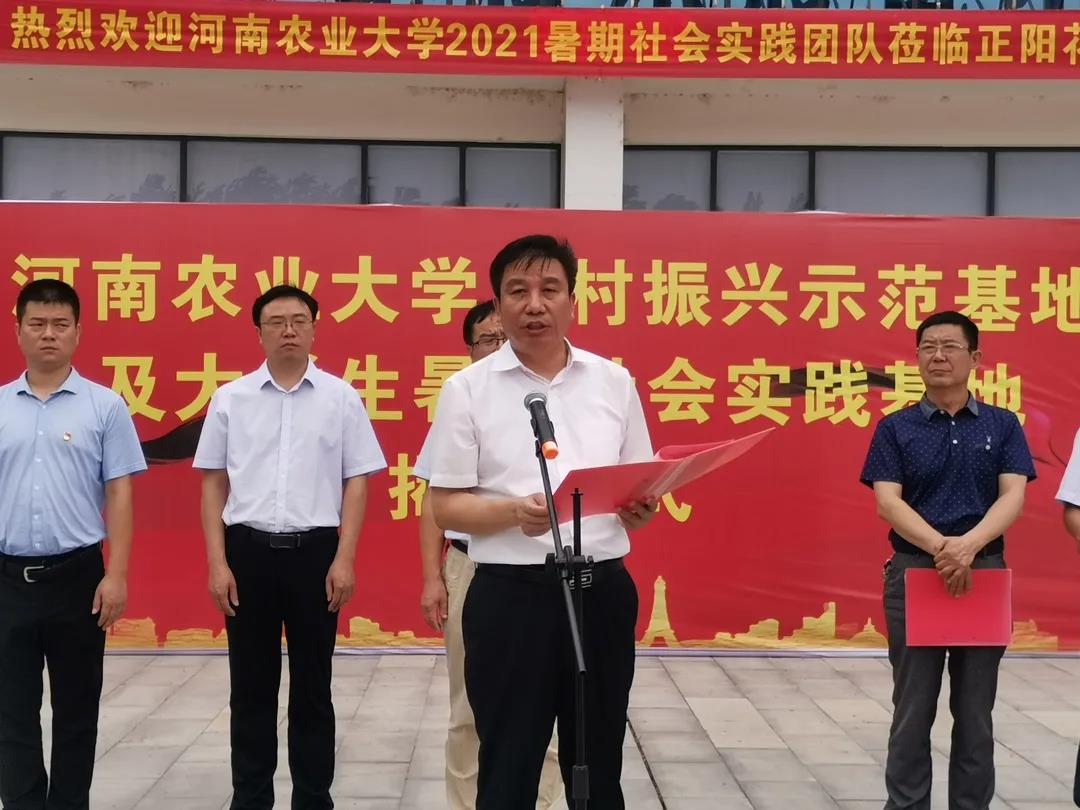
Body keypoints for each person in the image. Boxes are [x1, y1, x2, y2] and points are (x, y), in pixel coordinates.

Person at [427, 235, 657, 810]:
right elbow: (445, 505)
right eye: (518, 291)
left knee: (598, 763)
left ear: (572, 300)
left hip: (601, 593)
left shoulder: (614, 382)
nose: (535, 304)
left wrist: (641, 507)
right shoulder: (467, 390)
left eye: (549, 289)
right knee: (508, 764)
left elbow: (637, 486)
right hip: (512, 599)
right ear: (498, 304)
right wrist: (513, 513)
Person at [193, 284, 386, 810]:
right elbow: (213, 482)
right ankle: (251, 799)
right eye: (276, 322)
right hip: (247, 554)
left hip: (315, 555)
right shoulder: (230, 399)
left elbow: (357, 480)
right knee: (250, 689)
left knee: (313, 689)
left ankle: (313, 798)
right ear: (258, 333)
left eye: (299, 321)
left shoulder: (341, 398)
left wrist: (345, 556)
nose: (288, 331)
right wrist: (218, 562)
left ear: (314, 329)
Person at [860, 310, 1035, 810]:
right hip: (916, 572)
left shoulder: (1003, 424)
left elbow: (1013, 495)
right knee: (912, 709)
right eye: (928, 347)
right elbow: (887, 502)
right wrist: (945, 548)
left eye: (950, 346)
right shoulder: (895, 428)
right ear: (916, 357)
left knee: (976, 712)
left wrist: (969, 546)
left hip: (983, 574)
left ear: (975, 358)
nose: (938, 356)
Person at [0, 279, 146, 810]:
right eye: (37, 324)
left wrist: (116, 574)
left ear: (78, 332)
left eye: (60, 324)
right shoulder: (0, 406)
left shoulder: (104, 407)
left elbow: (120, 492)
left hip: (78, 578)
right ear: (18, 330)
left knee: (76, 711)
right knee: (11, 711)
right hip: (7, 579)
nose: (49, 334)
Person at [414, 299, 562, 810]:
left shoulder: (553, 403)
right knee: (469, 707)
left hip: (543, 568)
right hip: (472, 566)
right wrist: (432, 578)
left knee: (544, 707)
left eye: (506, 337)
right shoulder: (462, 400)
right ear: (470, 349)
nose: (500, 346)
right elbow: (433, 503)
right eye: (488, 339)